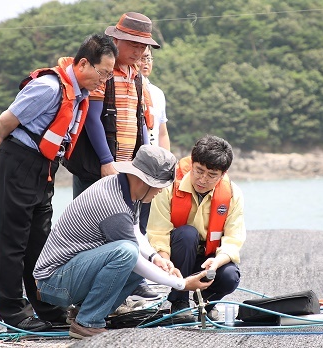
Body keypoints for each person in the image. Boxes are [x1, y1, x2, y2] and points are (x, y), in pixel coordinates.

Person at [0, 34, 118, 332]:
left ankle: (47, 309)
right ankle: (14, 315)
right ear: (83, 64)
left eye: (110, 75)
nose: (105, 81)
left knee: (40, 243)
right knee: (12, 240)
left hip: (45, 167)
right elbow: (7, 119)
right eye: (103, 73)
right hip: (19, 161)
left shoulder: (79, 93)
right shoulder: (48, 87)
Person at [33, 145, 213, 339]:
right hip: (52, 281)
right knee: (127, 253)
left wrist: (155, 258)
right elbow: (131, 255)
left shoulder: (124, 187)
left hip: (71, 273)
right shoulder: (112, 205)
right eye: (160, 185)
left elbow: (134, 230)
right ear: (144, 181)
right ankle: (88, 322)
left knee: (136, 260)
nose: (161, 191)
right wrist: (181, 284)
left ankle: (86, 312)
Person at [64, 11, 162, 301]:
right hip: (100, 167)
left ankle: (134, 281)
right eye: (134, 45)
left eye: (144, 47)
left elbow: (141, 122)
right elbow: (93, 120)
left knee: (134, 225)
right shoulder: (103, 72)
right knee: (93, 229)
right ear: (116, 40)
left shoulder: (136, 76)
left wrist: (146, 164)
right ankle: (85, 294)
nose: (140, 52)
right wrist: (106, 161)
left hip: (130, 168)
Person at [147, 135, 246, 321]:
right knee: (187, 234)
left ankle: (208, 302)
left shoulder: (233, 195)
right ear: (192, 163)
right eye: (199, 171)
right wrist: (166, 263)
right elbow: (158, 232)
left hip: (208, 259)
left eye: (212, 175)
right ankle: (179, 301)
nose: (203, 179)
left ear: (223, 174)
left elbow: (233, 241)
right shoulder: (168, 187)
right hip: (178, 255)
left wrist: (215, 264)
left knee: (230, 276)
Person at [137, 45, 170, 235]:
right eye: (141, 58)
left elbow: (162, 133)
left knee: (147, 221)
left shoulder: (157, 93)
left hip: (154, 167)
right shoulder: (126, 89)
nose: (145, 63)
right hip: (135, 166)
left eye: (148, 58)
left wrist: (167, 165)